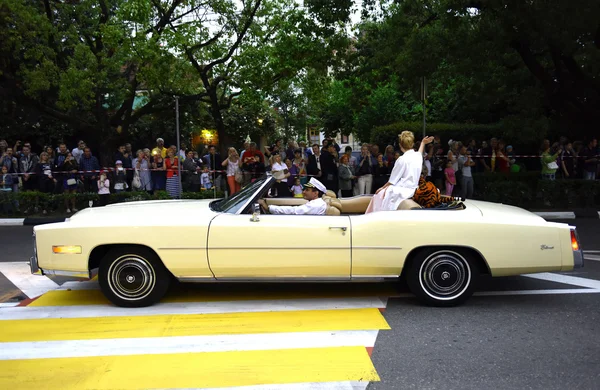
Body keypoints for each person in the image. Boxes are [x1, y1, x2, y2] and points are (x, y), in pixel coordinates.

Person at [366, 132, 434, 213]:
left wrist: (382, 188)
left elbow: (392, 180)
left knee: (379, 195)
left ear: (400, 145)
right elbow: (419, 152)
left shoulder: (402, 159)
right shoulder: (418, 156)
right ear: (412, 144)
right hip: (415, 188)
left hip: (403, 190)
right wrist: (423, 143)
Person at [258, 177, 328, 215]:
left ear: (316, 193)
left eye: (307, 190)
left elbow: (294, 211)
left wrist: (268, 208)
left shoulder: (315, 205)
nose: (303, 192)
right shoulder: (316, 203)